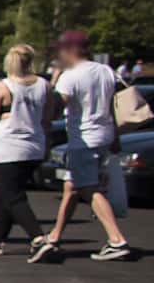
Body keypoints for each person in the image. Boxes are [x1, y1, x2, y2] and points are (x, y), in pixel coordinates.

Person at [44, 30, 133, 260]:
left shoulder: (70, 76)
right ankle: (54, 236)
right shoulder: (105, 71)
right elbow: (113, 106)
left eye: (60, 50)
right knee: (71, 187)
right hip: (103, 135)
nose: (59, 55)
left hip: (84, 139)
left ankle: (116, 239)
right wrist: (115, 137)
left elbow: (55, 109)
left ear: (70, 50)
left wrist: (53, 82)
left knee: (88, 188)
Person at [0, 44, 56, 260]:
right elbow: (47, 119)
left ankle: (38, 238)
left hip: (9, 146)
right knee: (6, 192)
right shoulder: (45, 85)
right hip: (34, 145)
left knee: (13, 196)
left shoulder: (3, 86)